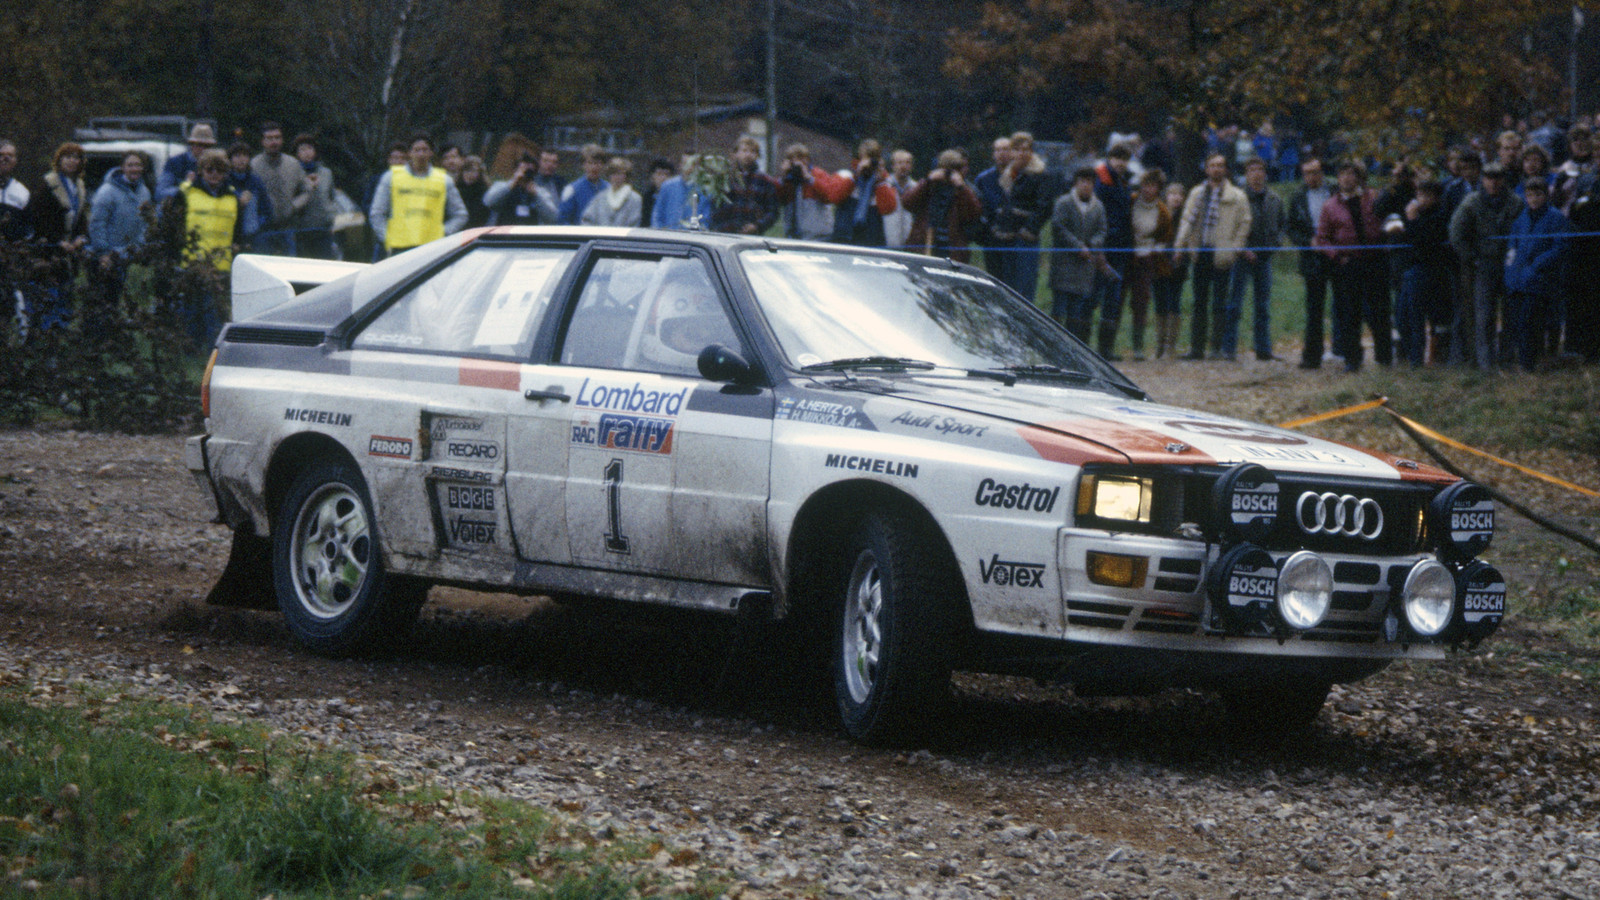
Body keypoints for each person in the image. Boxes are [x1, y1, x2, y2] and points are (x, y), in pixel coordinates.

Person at [161, 148, 243, 348]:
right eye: (209, 169)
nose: (214, 174)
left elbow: (237, 231)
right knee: (190, 310)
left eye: (220, 170)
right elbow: (173, 227)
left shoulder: (233, 198)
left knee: (214, 312)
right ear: (201, 171)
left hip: (220, 266)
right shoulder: (186, 193)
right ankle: (190, 351)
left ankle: (210, 354)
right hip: (191, 263)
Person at [1173, 153, 1251, 359]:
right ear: (1206, 169)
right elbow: (1187, 220)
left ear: (1225, 169)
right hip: (1201, 253)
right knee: (1199, 302)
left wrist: (1236, 248)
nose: (1216, 169)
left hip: (1223, 255)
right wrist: (1180, 246)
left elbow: (1244, 223)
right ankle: (1197, 348)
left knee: (1220, 303)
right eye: (1212, 165)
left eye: (1220, 165)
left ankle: (1216, 348)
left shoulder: (1237, 196)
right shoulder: (1197, 193)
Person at [1315, 161, 1389, 372]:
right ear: (1337, 178)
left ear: (1359, 177)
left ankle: (1384, 357)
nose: (1347, 178)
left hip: (1375, 261)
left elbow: (1388, 220)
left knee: (1379, 311)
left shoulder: (1373, 198)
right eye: (1343, 174)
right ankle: (1352, 359)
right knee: (1349, 313)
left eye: (1351, 174)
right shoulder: (1330, 206)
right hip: (1348, 264)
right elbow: (1323, 238)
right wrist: (1337, 256)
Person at [1448, 162, 1520, 369]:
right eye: (1489, 177)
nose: (1493, 182)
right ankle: (1485, 363)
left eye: (1497, 177)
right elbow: (1456, 234)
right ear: (1483, 179)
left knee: (1510, 314)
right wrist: (1472, 257)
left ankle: (1507, 360)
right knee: (1484, 316)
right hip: (1482, 265)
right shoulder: (1471, 202)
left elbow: (1522, 231)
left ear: (1504, 179)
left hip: (1509, 264)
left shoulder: (1515, 202)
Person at [1502, 179, 1568, 370]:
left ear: (1546, 195)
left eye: (1538, 194)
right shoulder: (1520, 218)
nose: (1533, 199)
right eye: (1529, 195)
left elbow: (1559, 248)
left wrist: (1536, 265)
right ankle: (1523, 360)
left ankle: (1529, 362)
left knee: (1531, 321)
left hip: (1541, 280)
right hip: (1518, 279)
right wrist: (1511, 271)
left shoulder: (1556, 218)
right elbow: (1512, 247)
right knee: (1518, 322)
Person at [1223, 157, 1284, 361]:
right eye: (1252, 170)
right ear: (1246, 174)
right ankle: (1229, 348)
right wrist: (1243, 250)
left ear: (1265, 173)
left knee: (1263, 306)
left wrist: (1274, 246)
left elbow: (1282, 226)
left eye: (1260, 170)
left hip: (1264, 258)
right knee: (1234, 304)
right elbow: (1229, 226)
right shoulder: (1237, 198)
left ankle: (1263, 349)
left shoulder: (1275, 199)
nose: (1256, 174)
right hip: (1241, 257)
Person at [368, 132, 467, 256]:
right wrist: (387, 237)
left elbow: (460, 214)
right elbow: (377, 213)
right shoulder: (392, 177)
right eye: (417, 150)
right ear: (409, 153)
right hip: (399, 247)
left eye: (425, 150)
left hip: (431, 247)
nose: (421, 154)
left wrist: (443, 232)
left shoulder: (443, 180)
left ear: (431, 153)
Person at [86, 151, 151, 326]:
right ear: (123, 167)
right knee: (101, 301)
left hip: (127, 255)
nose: (134, 168)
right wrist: (103, 252)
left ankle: (113, 338)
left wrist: (139, 248)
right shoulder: (107, 191)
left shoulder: (144, 192)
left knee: (118, 299)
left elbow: (145, 223)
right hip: (106, 256)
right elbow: (97, 223)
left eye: (138, 165)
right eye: (130, 165)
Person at [1395, 179, 1453, 366]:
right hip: (1410, 270)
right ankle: (1411, 355)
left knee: (1418, 317)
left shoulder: (1439, 217)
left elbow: (1424, 244)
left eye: (1427, 195)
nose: (1422, 200)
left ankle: (1417, 360)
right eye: (1419, 195)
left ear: (1436, 198)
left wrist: (1413, 221)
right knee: (1402, 316)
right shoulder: (1414, 215)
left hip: (1430, 271)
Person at [988, 132, 1052, 300]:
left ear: (1031, 151)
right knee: (1006, 288)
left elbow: (1045, 206)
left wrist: (1029, 229)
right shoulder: (1008, 175)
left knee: (1023, 288)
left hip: (1024, 239)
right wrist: (998, 226)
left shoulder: (1040, 174)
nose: (1021, 153)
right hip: (1006, 237)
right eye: (1017, 149)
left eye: (1026, 149)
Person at [1047, 168, 1107, 339]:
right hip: (1063, 265)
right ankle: (1053, 343)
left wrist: (1091, 245)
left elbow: (1102, 231)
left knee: (1077, 311)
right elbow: (1058, 227)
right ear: (1076, 182)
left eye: (1089, 182)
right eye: (1082, 181)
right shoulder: (1063, 202)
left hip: (1084, 267)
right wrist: (1077, 246)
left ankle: (1072, 344)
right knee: (1059, 309)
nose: (1086, 185)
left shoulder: (1098, 207)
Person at [1287, 158, 1334, 368]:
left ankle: (1345, 351)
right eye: (1307, 173)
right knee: (1314, 308)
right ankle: (1312, 355)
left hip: (1336, 252)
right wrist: (1307, 242)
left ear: (1322, 172)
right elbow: (1292, 228)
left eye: (1315, 172)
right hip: (1311, 255)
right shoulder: (1297, 197)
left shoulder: (1334, 191)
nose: (1311, 177)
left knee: (1343, 304)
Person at [1090, 143, 1135, 358]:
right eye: (1117, 158)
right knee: (1092, 296)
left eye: (1124, 159)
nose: (1121, 163)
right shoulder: (1101, 181)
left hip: (1120, 248)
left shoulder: (1122, 181)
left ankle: (1105, 349)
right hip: (1103, 246)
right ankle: (1085, 347)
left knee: (1113, 298)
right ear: (1109, 158)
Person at [1125, 169, 1175, 360]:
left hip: (1147, 260)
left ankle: (1138, 347)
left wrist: (1153, 251)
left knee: (1141, 302)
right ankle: (1108, 346)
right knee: (1117, 299)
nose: (1149, 189)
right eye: (1146, 184)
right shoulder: (1131, 201)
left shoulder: (1162, 211)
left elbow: (1165, 236)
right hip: (1127, 255)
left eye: (1153, 186)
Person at [901, 148, 982, 262]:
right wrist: (927, 181)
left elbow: (974, 214)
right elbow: (908, 203)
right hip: (925, 244)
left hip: (952, 249)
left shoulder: (965, 189)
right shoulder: (929, 185)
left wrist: (961, 187)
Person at [251, 122, 309, 255]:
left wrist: (294, 205)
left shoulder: (293, 164)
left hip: (288, 228)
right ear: (262, 141)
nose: (274, 142)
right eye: (269, 138)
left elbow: (306, 190)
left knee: (288, 267)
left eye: (277, 138)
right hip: (263, 230)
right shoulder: (253, 165)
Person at [773, 143, 849, 240]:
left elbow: (829, 196)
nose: (797, 163)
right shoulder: (788, 179)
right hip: (793, 236)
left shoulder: (817, 174)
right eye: (792, 159)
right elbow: (777, 198)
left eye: (800, 158)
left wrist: (809, 178)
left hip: (819, 236)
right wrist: (784, 176)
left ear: (807, 159)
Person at [27, 142, 90, 250]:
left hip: (71, 247)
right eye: (68, 157)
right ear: (60, 159)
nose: (72, 161)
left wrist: (81, 237)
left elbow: (81, 217)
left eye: (76, 158)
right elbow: (39, 217)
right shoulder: (48, 184)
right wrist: (56, 241)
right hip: (50, 245)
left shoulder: (80, 186)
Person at [711, 136, 778, 235]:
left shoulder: (765, 181)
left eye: (752, 151)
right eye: (744, 151)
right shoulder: (725, 178)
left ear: (757, 155)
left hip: (752, 235)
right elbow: (715, 207)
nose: (748, 155)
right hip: (726, 233)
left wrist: (757, 226)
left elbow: (773, 212)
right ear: (735, 154)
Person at [1564, 177, 1600, 362]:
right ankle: (1580, 349)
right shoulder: (1586, 189)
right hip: (1585, 260)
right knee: (1584, 304)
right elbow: (1572, 218)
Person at [841, 139, 899, 247]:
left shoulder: (884, 179)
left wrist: (880, 181)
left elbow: (889, 208)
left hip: (871, 231)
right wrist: (856, 175)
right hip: (847, 226)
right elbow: (836, 197)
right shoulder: (848, 174)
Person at [1153, 181, 1188, 359]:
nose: (1176, 198)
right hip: (1158, 263)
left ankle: (1170, 346)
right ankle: (1159, 345)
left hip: (1178, 264)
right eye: (1172, 194)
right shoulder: (1157, 214)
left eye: (1179, 195)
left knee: (1174, 302)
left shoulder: (1185, 218)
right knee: (1159, 303)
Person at [291, 134, 337, 259]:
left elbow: (332, 198)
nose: (307, 153)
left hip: (323, 230)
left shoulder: (326, 173)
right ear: (297, 153)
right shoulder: (293, 173)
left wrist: (331, 218)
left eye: (310, 148)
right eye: (302, 149)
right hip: (301, 231)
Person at [973, 136, 1013, 279]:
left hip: (1015, 236)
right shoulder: (983, 179)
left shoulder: (1021, 177)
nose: (1002, 153)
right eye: (998, 150)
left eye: (1006, 150)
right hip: (992, 237)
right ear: (993, 154)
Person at [484, 152, 558, 226]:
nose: (526, 173)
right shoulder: (501, 186)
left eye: (530, 171)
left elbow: (553, 217)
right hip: (503, 233)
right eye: (523, 170)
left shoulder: (540, 191)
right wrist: (511, 185)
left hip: (529, 234)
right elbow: (488, 202)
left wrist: (536, 195)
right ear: (515, 170)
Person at [155, 123, 217, 201]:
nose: (204, 149)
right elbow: (160, 193)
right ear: (192, 145)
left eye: (208, 146)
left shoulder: (217, 166)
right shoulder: (175, 162)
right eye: (200, 145)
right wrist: (185, 187)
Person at [651, 154, 713, 230]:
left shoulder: (704, 191)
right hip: (667, 238)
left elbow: (705, 222)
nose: (689, 168)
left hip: (692, 239)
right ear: (680, 165)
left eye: (693, 165)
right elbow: (657, 216)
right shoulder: (667, 187)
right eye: (685, 164)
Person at [224, 142, 269, 242]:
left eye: (245, 155)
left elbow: (266, 210)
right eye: (237, 156)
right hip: (229, 235)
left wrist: (258, 226)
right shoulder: (225, 181)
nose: (241, 160)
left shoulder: (256, 181)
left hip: (254, 237)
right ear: (230, 159)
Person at [579, 157, 642, 227]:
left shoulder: (635, 199)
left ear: (626, 176)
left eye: (619, 174)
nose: (616, 177)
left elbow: (634, 224)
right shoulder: (600, 198)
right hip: (600, 237)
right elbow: (587, 219)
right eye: (613, 174)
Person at [557, 143, 606, 225]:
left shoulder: (609, 189)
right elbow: (563, 221)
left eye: (597, 163)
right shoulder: (571, 190)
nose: (594, 167)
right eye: (590, 163)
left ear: (603, 165)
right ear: (583, 165)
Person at [883, 149, 915, 248]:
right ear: (893, 166)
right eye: (900, 162)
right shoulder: (884, 186)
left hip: (909, 245)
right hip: (886, 243)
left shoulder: (916, 188)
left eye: (907, 163)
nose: (903, 166)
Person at [0, 140, 31, 242]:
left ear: (15, 161)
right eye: (1, 154)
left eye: (10, 155)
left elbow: (28, 228)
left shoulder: (23, 192)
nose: (5, 159)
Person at [640, 157, 675, 227]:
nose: (663, 178)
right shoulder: (647, 198)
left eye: (666, 174)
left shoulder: (674, 197)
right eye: (659, 174)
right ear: (652, 177)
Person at [458, 155, 491, 228]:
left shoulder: (484, 192)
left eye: (474, 171)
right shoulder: (455, 188)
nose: (470, 174)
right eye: (467, 170)